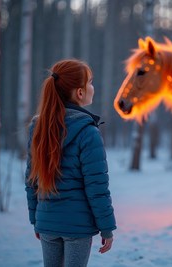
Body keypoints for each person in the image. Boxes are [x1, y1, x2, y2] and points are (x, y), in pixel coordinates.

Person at [25, 59, 116, 267]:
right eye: (90, 82)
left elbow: (31, 180)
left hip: (47, 224)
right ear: (80, 93)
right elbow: (97, 188)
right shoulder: (88, 132)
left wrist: (36, 220)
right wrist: (107, 228)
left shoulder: (37, 127)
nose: (93, 87)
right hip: (78, 228)